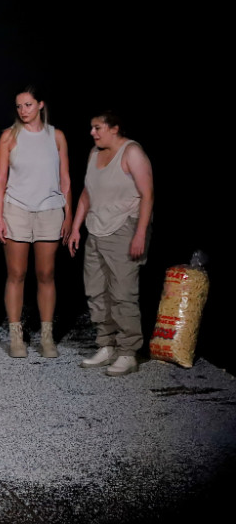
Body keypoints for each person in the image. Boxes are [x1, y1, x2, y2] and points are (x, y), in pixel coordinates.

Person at [68, 111, 153, 376]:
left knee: (123, 293)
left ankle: (127, 352)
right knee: (96, 291)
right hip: (96, 228)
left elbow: (147, 195)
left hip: (124, 228)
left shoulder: (132, 152)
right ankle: (106, 345)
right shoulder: (94, 153)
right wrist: (76, 227)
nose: (92, 133)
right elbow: (87, 192)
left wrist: (140, 234)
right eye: (91, 128)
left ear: (114, 128)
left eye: (97, 128)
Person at [0, 86, 72, 358]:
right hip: (16, 209)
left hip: (49, 209)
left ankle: (47, 337)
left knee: (46, 274)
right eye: (19, 106)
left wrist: (69, 215)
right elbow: (0, 179)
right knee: (16, 273)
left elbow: (65, 178)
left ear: (40, 104)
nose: (23, 110)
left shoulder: (56, 136)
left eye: (27, 105)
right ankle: (16, 336)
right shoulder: (9, 136)